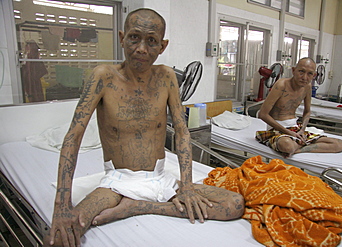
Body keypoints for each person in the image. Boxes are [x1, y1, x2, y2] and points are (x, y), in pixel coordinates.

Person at [45, 8, 244, 247]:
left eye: (151, 41)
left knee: (234, 205)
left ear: (162, 46)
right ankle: (130, 204)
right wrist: (62, 203)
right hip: (117, 182)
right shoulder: (103, 77)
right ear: (122, 37)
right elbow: (73, 137)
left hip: (160, 180)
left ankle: (138, 208)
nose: (141, 48)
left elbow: (181, 132)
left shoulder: (167, 77)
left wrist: (188, 186)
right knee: (58, 239)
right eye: (134, 37)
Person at [256, 57, 342, 158]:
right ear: (293, 70)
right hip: (277, 129)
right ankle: (295, 147)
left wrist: (302, 130)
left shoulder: (307, 87)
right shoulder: (281, 85)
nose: (304, 77)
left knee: (338, 144)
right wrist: (288, 132)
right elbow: (262, 114)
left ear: (314, 75)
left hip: (296, 129)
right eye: (301, 71)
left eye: (309, 74)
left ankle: (297, 149)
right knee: (287, 146)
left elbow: (307, 112)